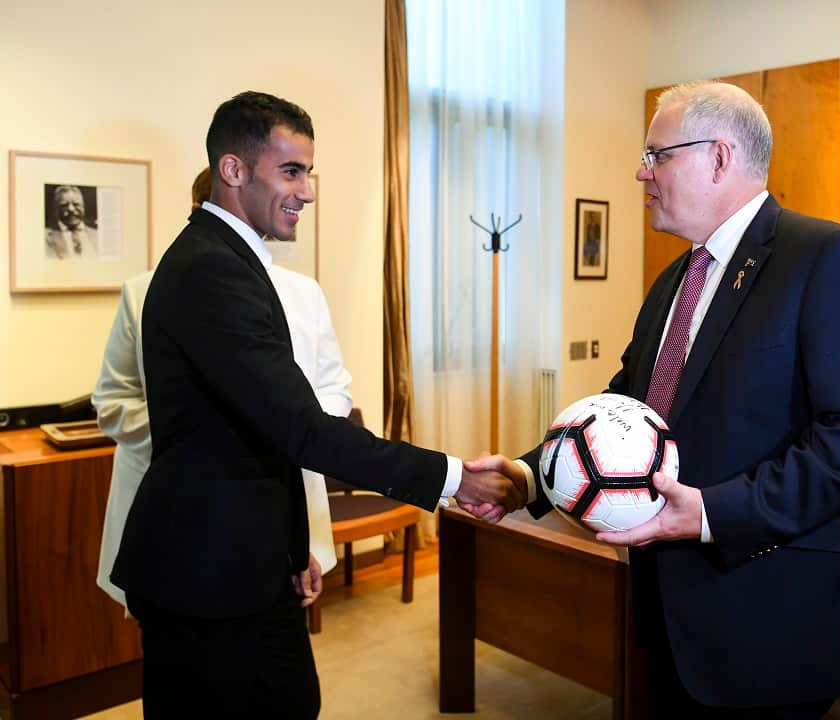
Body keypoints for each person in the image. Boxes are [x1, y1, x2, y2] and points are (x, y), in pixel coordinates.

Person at [469, 82, 840, 718]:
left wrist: (712, 513)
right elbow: (624, 409)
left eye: (657, 155)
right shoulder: (674, 279)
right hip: (669, 607)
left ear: (720, 157)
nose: (640, 172)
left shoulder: (826, 257)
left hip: (771, 610)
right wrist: (528, 475)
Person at [110, 91, 523, 719]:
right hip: (204, 572)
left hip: (246, 556)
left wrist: (291, 544)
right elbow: (300, 427)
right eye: (290, 171)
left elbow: (260, 434)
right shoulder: (211, 271)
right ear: (233, 170)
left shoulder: (230, 260)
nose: (306, 192)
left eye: (308, 173)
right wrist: (454, 477)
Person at [94, 167, 347, 610]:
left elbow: (334, 387)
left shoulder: (305, 294)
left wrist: (291, 428)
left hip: (285, 500)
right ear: (199, 212)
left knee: (280, 636)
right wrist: (209, 433)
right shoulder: (145, 291)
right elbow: (113, 402)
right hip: (180, 514)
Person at [45, 184, 98, 258]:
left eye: (76, 204)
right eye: (64, 205)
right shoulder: (45, 238)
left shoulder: (97, 234)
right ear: (56, 209)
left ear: (83, 206)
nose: (71, 209)